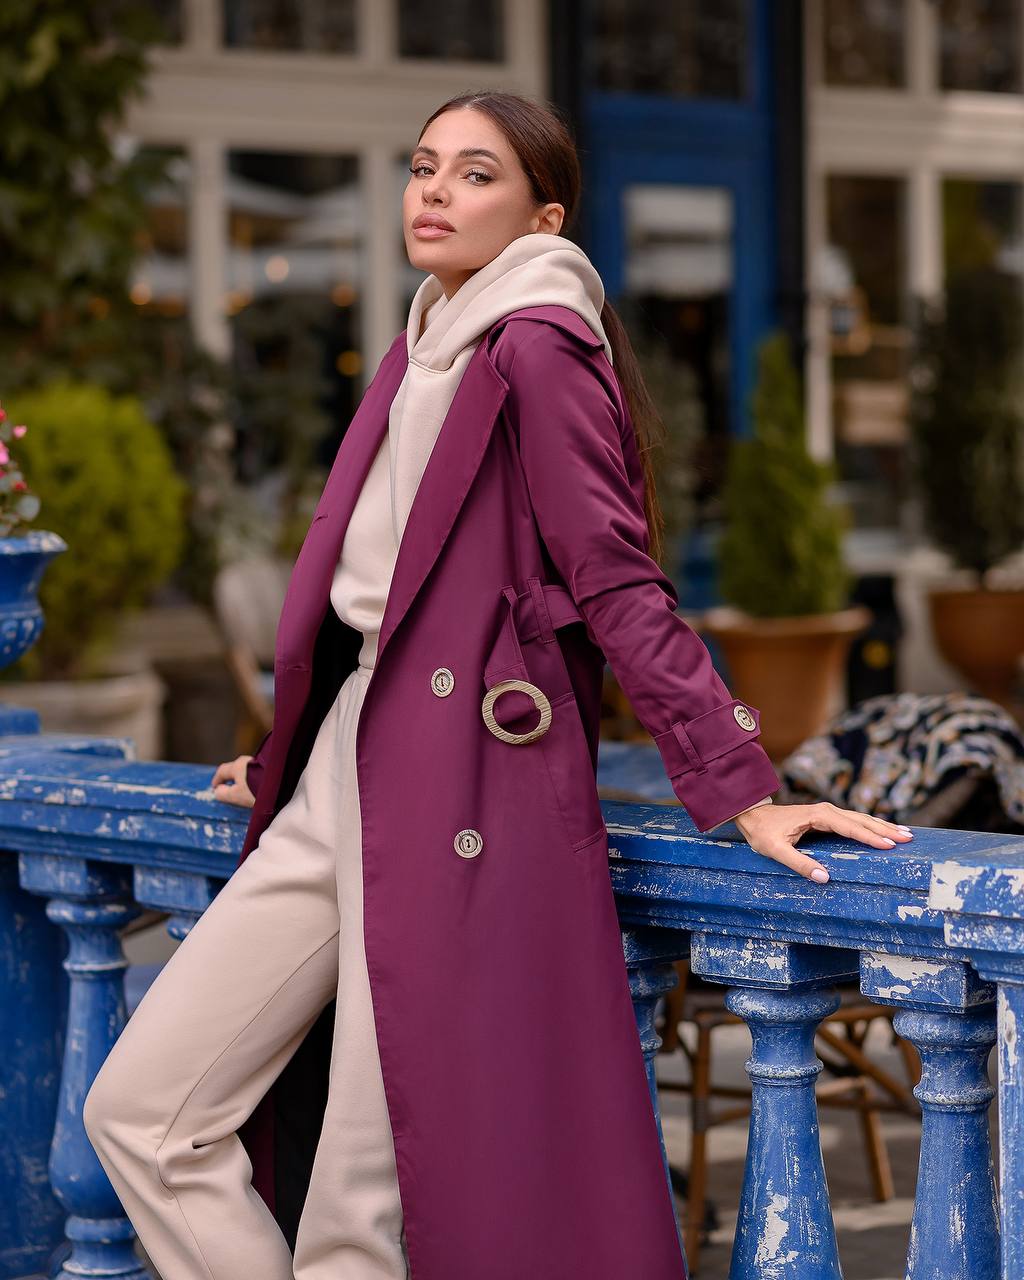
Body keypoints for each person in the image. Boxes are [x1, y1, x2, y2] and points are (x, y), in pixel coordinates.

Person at [82, 91, 914, 1280]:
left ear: (542, 214)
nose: (433, 190)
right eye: (424, 166)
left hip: (455, 781)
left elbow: (618, 582)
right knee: (144, 1113)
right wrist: (284, 756)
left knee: (353, 1206)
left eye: (474, 174)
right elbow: (371, 598)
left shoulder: (536, 345)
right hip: (345, 760)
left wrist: (741, 783)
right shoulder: (422, 341)